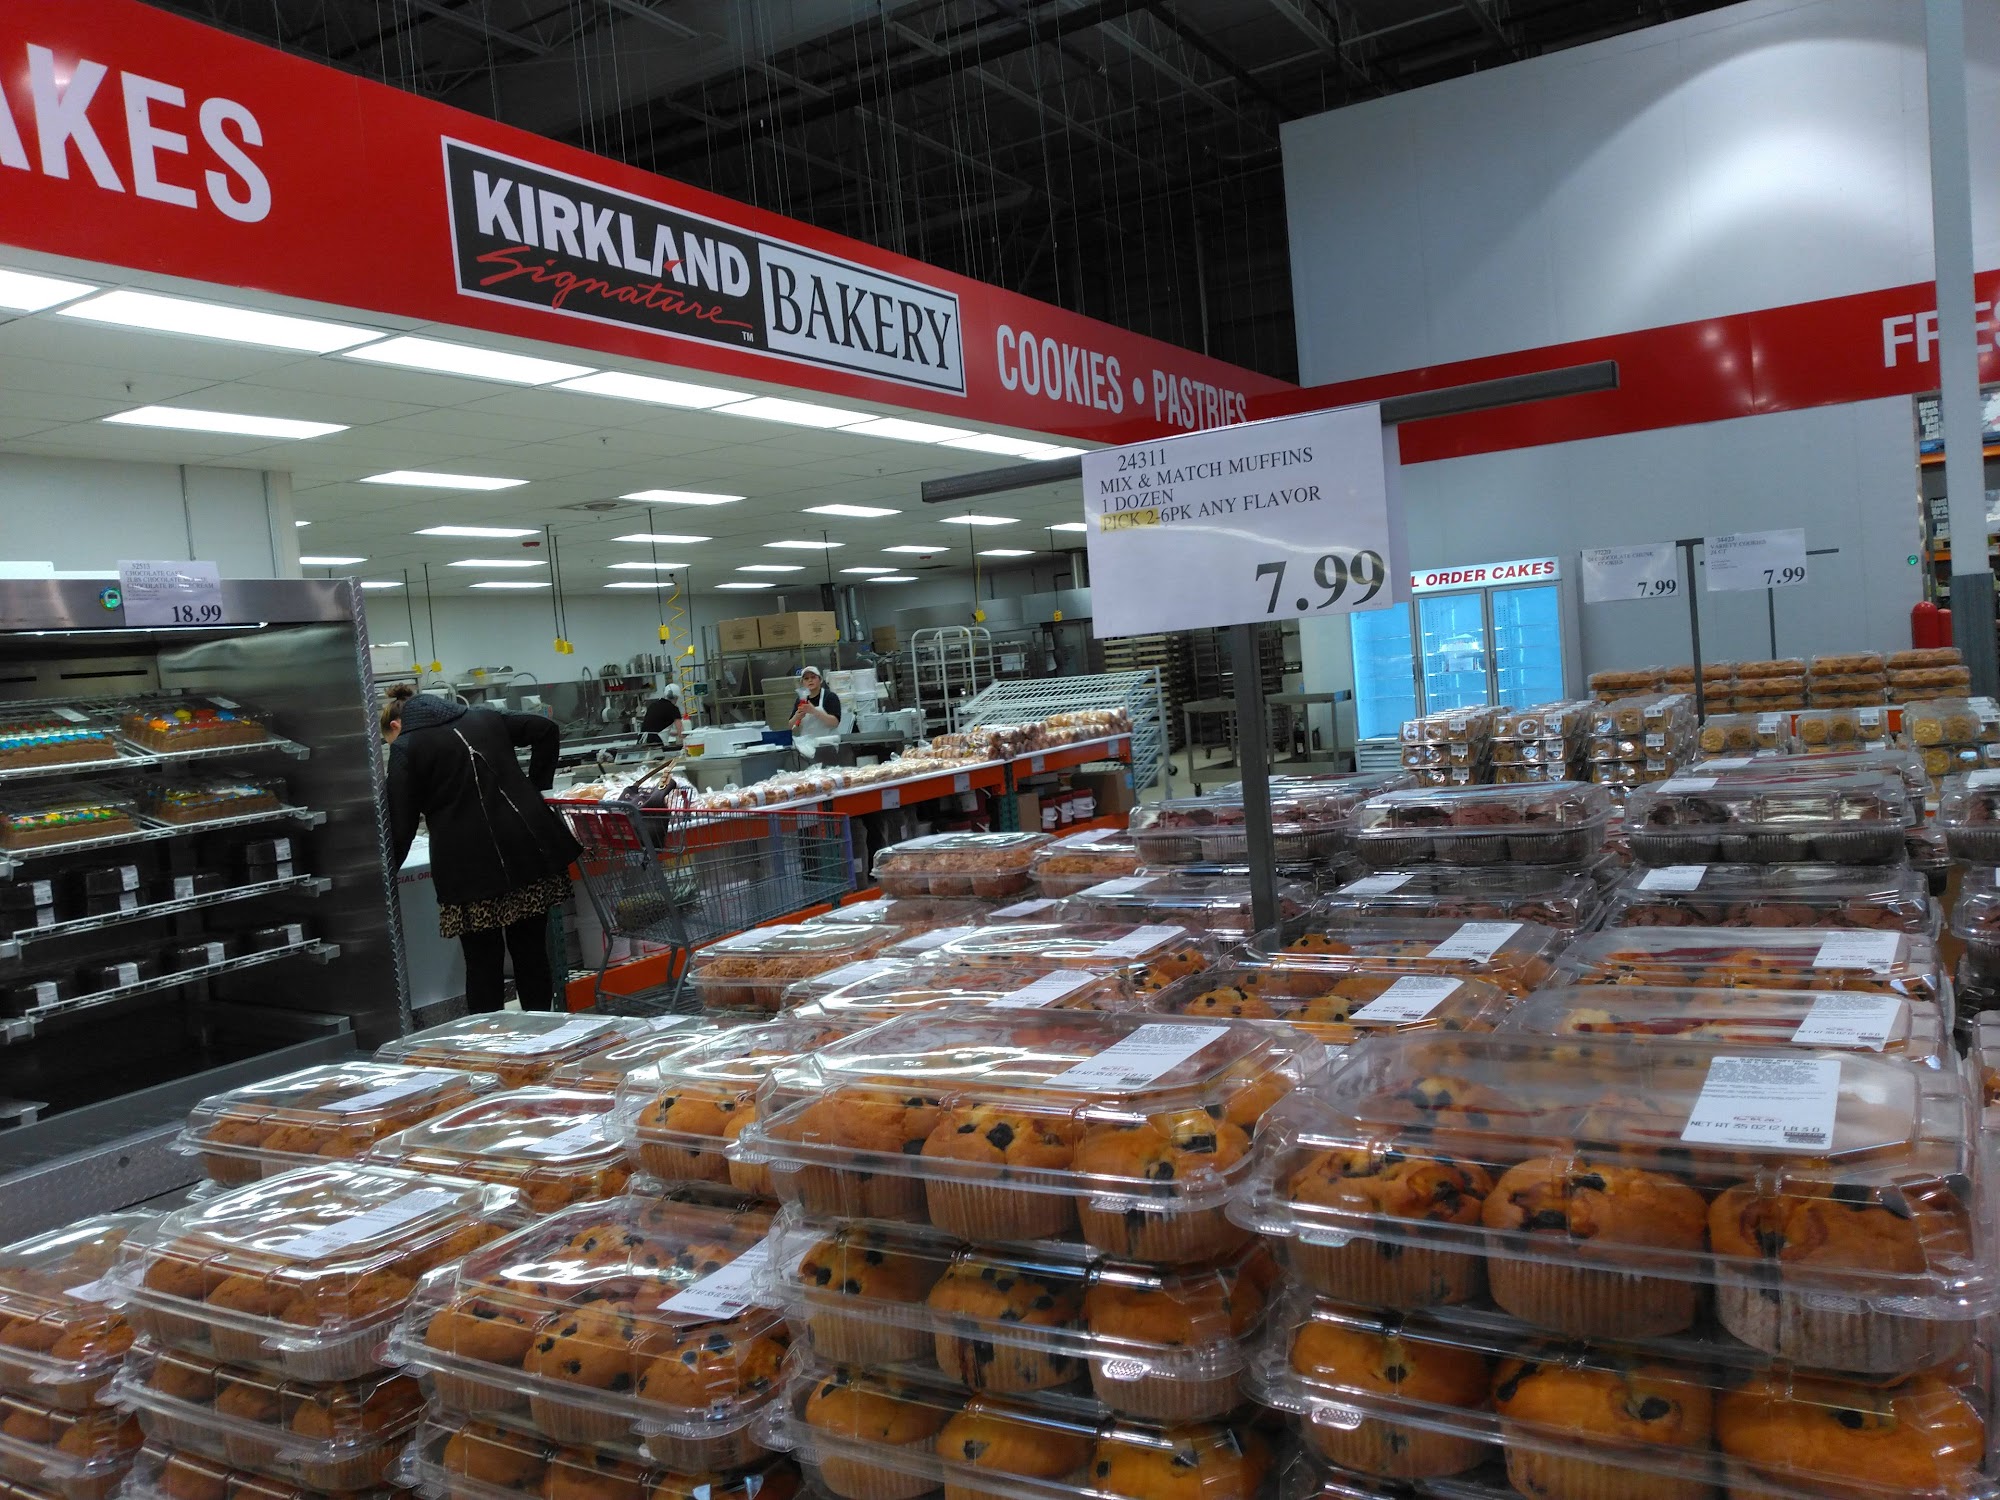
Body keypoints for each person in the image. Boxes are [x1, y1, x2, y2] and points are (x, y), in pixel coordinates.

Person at [382, 684, 583, 1013]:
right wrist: (535, 788)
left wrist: (386, 876)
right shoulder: (485, 717)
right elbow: (545, 728)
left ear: (396, 725)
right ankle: (544, 1031)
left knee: (482, 963)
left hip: (468, 866)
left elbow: (400, 824)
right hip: (527, 849)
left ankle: (489, 1037)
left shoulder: (407, 746)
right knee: (531, 952)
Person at [790, 666, 843, 735]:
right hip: (807, 740)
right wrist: (796, 717)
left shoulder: (830, 697)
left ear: (820, 680)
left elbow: (835, 723)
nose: (810, 680)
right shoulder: (800, 700)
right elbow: (790, 726)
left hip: (827, 740)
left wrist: (814, 711)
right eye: (806, 678)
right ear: (802, 683)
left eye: (813, 677)